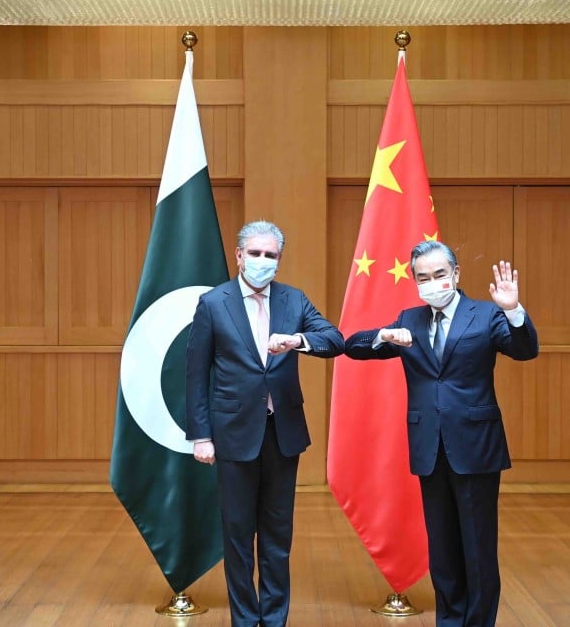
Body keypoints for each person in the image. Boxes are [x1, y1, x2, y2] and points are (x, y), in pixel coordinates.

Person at [343, 240, 539, 627]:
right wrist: (385, 336)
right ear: (414, 280)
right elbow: (354, 347)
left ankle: (478, 621)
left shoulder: (486, 315)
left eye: (439, 275)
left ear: (456, 274)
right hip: (429, 447)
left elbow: (525, 349)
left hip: (476, 446)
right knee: (443, 548)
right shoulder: (409, 319)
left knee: (478, 545)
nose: (432, 283)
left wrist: (513, 310)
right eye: (423, 277)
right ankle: (449, 620)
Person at [186, 220, 344, 627]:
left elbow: (335, 339)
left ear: (279, 260)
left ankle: (274, 620)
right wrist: (201, 435)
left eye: (270, 255)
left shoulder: (294, 301)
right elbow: (195, 373)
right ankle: (244, 619)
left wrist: (299, 341)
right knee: (238, 536)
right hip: (232, 434)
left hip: (281, 434)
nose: (261, 261)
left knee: (277, 536)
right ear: (239, 256)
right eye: (254, 253)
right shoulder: (213, 302)